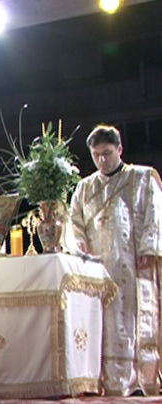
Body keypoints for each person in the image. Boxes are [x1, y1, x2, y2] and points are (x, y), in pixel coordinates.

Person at [69, 124, 162, 397]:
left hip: (132, 264)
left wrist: (149, 248)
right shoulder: (84, 187)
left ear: (120, 149)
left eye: (107, 153)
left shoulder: (141, 178)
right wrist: (78, 242)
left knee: (130, 319)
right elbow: (74, 222)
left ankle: (137, 381)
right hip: (96, 267)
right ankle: (101, 380)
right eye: (96, 155)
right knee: (101, 324)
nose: (102, 160)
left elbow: (155, 213)